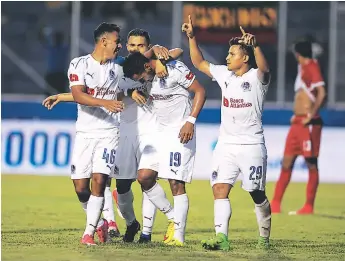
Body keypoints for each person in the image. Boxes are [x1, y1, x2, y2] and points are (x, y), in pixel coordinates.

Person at [42, 28, 182, 243]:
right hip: (109, 133)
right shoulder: (106, 65)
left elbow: (176, 52)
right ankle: (119, 223)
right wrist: (62, 96)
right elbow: (93, 92)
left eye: (141, 46)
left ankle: (152, 228)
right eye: (129, 44)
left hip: (137, 133)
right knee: (107, 188)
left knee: (140, 180)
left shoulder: (135, 64)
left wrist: (158, 54)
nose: (133, 48)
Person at [182, 15, 272, 250]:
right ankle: (221, 238)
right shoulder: (224, 75)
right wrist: (192, 37)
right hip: (226, 145)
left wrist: (257, 46)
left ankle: (264, 237)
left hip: (252, 145)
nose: (227, 57)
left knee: (256, 192)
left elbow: (266, 69)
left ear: (245, 57)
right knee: (219, 189)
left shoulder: (256, 77)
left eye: (232, 54)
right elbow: (199, 62)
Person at [122, 50, 206, 246]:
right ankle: (172, 216)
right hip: (159, 133)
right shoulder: (150, 75)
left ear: (146, 67)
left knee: (176, 183)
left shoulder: (174, 69)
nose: (142, 81)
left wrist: (190, 121)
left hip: (180, 132)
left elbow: (200, 91)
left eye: (142, 77)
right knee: (144, 177)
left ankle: (178, 236)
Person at [67, 22, 124, 245]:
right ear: (104, 41)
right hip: (85, 133)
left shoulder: (120, 66)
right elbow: (79, 96)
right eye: (117, 41)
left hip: (109, 133)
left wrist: (159, 50)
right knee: (81, 188)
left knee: (100, 180)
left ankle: (88, 233)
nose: (119, 46)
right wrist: (106, 103)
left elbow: (148, 60)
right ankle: (99, 223)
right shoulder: (79, 64)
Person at [271, 40, 326, 215]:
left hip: (308, 124)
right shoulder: (303, 68)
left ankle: (309, 206)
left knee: (311, 163)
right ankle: (275, 204)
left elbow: (322, 92)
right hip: (297, 123)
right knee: (286, 162)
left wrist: (311, 115)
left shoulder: (311, 67)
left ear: (297, 54)